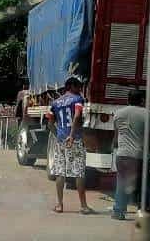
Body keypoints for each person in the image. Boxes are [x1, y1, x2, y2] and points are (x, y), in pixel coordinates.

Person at [110, 89, 150, 220]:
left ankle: (118, 211)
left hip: (122, 155)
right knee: (142, 185)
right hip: (139, 156)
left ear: (128, 100)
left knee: (122, 183)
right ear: (142, 100)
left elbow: (116, 136)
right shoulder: (148, 114)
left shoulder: (118, 114)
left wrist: (115, 148)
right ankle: (143, 212)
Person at [48, 77, 92, 214]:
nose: (80, 89)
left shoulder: (55, 103)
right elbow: (77, 116)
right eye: (78, 86)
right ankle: (84, 206)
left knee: (60, 172)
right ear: (71, 86)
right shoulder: (77, 100)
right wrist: (71, 136)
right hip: (75, 139)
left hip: (61, 140)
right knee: (79, 172)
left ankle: (60, 205)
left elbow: (50, 123)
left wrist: (59, 136)